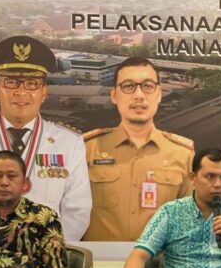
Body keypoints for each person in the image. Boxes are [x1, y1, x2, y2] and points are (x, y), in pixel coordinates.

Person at [0, 35, 92, 241]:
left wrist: (47, 250)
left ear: (44, 92)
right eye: (11, 82)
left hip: (47, 254)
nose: (21, 92)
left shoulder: (69, 143)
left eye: (32, 83)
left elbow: (77, 211)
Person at [83, 57, 194, 241]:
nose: (139, 95)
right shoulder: (87, 149)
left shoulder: (183, 153)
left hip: (159, 259)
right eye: (128, 86)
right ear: (113, 95)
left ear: (159, 94)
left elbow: (190, 222)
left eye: (148, 86)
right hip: (100, 258)